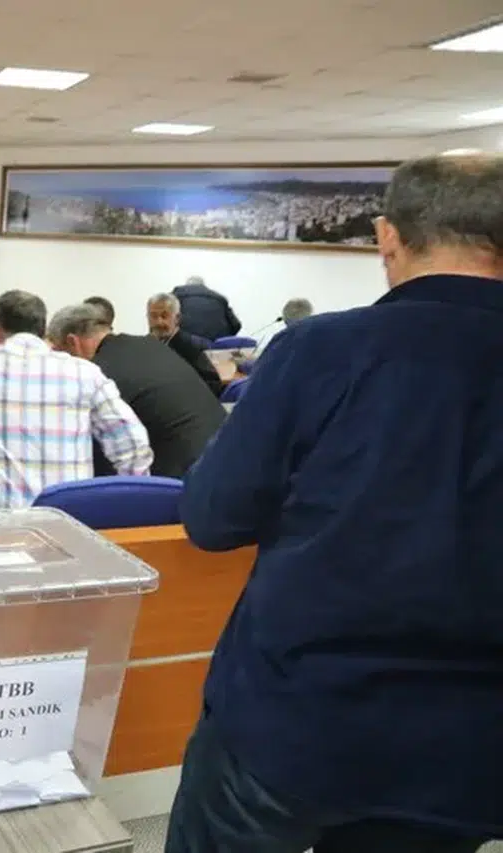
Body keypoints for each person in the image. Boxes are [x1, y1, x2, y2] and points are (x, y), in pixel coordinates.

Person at [166, 154, 503, 852]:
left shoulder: (321, 351)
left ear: (388, 237)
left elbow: (213, 517)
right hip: (467, 747)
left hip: (294, 721)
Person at [0, 290, 152, 508]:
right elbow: (132, 443)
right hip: (67, 523)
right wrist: (132, 504)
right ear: (42, 329)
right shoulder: (85, 372)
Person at [49, 304, 225, 478]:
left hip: (186, 480)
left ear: (73, 342)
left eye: (57, 352)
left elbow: (96, 453)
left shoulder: (100, 374)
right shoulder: (151, 345)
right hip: (222, 455)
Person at [147, 292, 224, 396]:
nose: (159, 322)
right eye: (153, 316)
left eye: (164, 316)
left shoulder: (193, 347)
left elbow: (213, 385)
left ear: (177, 318)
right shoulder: (145, 345)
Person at [172, 275, 241, 340]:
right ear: (203, 286)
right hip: (216, 345)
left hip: (184, 343)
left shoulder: (174, 296)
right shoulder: (219, 298)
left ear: (186, 285)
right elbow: (236, 324)